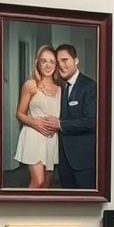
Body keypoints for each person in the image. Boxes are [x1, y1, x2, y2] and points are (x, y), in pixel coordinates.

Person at [40, 44, 97, 189]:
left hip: (83, 162)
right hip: (63, 161)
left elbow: (91, 122)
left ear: (76, 61)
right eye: (58, 63)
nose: (61, 66)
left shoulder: (89, 86)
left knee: (86, 207)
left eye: (65, 60)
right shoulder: (61, 86)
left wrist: (60, 124)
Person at [13, 45, 61, 189]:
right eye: (44, 61)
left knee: (46, 184)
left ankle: (42, 212)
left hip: (52, 139)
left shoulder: (61, 87)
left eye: (52, 62)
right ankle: (25, 211)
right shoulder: (30, 85)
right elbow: (19, 113)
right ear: (37, 63)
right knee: (38, 181)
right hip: (33, 136)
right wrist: (35, 123)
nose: (48, 65)